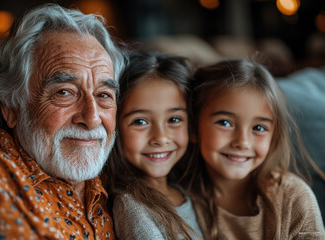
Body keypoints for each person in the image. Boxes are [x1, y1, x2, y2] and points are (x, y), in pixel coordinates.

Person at [0, 3, 124, 240]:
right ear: (11, 108)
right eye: (64, 92)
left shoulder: (119, 176)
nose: (92, 119)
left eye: (103, 95)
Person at [187, 59, 325, 239]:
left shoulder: (293, 198)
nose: (242, 142)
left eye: (259, 128)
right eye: (225, 123)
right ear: (193, 128)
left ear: (274, 135)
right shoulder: (183, 198)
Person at [104, 51, 204, 240]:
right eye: (140, 122)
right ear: (117, 128)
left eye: (174, 119)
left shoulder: (186, 192)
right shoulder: (132, 206)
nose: (160, 137)